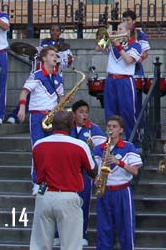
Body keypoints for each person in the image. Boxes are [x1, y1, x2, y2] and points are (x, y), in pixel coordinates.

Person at [29, 109, 96, 250]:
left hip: (44, 195)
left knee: (40, 245)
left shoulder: (38, 144)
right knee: (71, 246)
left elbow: (37, 169)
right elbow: (92, 171)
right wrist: (90, 151)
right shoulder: (79, 145)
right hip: (67, 196)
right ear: (72, 125)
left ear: (52, 125)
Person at [16, 46, 65, 192]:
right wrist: (22, 108)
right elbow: (24, 92)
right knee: (38, 148)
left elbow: (61, 97)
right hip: (38, 115)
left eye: (56, 55)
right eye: (51, 55)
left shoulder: (58, 77)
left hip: (53, 116)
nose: (55, 57)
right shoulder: (36, 75)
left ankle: (51, 180)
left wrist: (63, 109)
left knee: (54, 149)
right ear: (44, 58)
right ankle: (37, 181)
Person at [94, 114, 142, 250]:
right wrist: (95, 178)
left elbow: (135, 171)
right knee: (103, 229)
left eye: (114, 127)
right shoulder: (99, 149)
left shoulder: (128, 147)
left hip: (122, 191)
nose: (111, 129)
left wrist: (118, 162)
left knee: (126, 228)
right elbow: (93, 170)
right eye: (109, 126)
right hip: (104, 191)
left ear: (121, 130)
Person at [70, 100, 106, 240]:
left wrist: (93, 149)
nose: (84, 115)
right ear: (74, 115)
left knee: (83, 203)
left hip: (85, 172)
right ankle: (58, 234)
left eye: (86, 112)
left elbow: (104, 150)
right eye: (81, 112)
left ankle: (81, 234)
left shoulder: (94, 129)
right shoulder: (68, 128)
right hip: (69, 171)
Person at [103, 16, 142, 138]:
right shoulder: (112, 43)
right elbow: (98, 48)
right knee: (110, 112)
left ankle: (133, 140)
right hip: (111, 80)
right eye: (117, 29)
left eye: (120, 29)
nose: (117, 31)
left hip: (125, 81)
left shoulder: (135, 45)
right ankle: (111, 140)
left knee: (128, 112)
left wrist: (119, 46)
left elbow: (128, 60)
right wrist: (105, 37)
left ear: (127, 32)